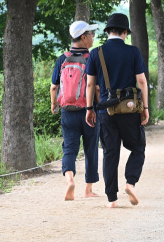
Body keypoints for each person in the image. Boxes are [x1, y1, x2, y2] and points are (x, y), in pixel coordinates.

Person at [85, 13, 149, 208]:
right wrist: (145, 107)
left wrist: (89, 108)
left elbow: (90, 85)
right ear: (124, 32)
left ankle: (112, 199)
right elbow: (141, 81)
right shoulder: (133, 52)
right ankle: (130, 183)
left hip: (106, 111)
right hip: (129, 110)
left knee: (110, 153)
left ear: (108, 32)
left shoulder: (96, 53)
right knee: (138, 146)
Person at [50, 20, 100, 201]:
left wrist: (54, 105)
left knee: (69, 148)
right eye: (91, 35)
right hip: (89, 111)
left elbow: (54, 87)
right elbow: (96, 88)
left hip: (68, 112)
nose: (93, 38)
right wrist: (97, 107)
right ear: (84, 37)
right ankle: (88, 189)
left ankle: (69, 180)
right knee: (91, 149)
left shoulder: (62, 58)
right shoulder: (92, 58)